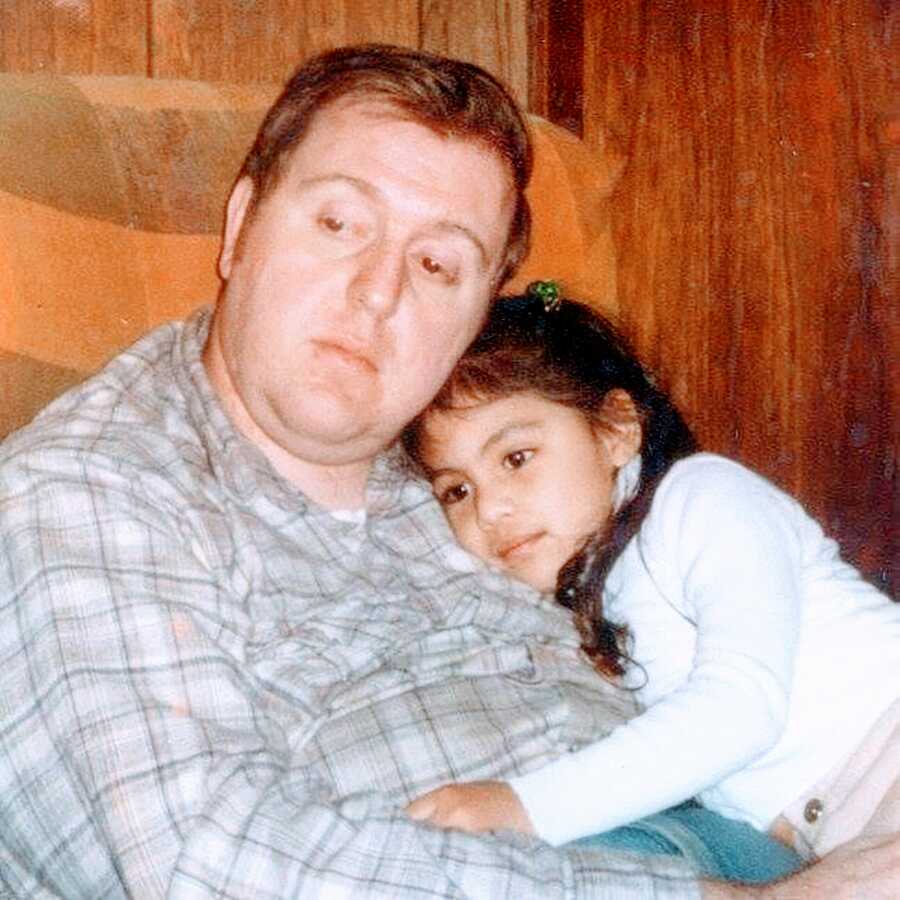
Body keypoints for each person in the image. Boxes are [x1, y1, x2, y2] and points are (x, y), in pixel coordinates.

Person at [0, 42, 896, 900]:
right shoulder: (96, 490)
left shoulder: (466, 447)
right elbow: (209, 863)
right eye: (339, 223)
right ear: (240, 231)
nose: (377, 290)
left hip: (757, 838)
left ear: (475, 319)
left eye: (437, 263)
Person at [401, 287, 900, 865]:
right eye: (457, 491)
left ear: (616, 429)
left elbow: (741, 710)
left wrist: (524, 806)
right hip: (839, 828)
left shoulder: (703, 497)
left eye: (516, 458)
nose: (489, 511)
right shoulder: (586, 592)